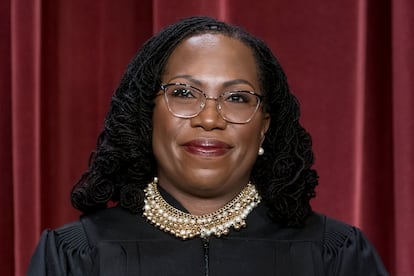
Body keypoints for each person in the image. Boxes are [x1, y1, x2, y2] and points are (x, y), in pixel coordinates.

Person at [27, 16, 387, 275]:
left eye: (237, 98)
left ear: (264, 128)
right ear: (146, 115)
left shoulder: (335, 255)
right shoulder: (75, 257)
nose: (210, 118)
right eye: (184, 93)